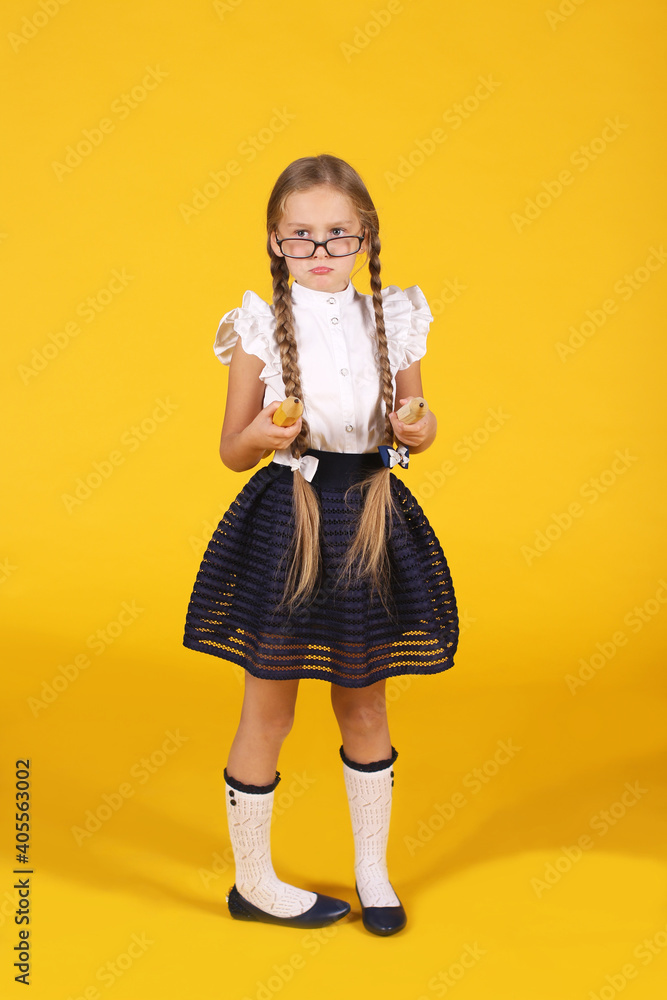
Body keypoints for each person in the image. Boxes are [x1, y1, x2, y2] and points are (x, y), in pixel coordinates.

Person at [182, 153, 459, 935]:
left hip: (369, 517)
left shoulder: (393, 317)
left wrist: (416, 428)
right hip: (290, 522)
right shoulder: (257, 327)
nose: (320, 250)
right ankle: (253, 882)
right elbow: (232, 450)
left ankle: (372, 870)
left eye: (338, 234)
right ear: (276, 241)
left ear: (365, 235)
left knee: (364, 702)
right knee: (268, 708)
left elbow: (419, 424)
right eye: (300, 236)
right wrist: (266, 434)